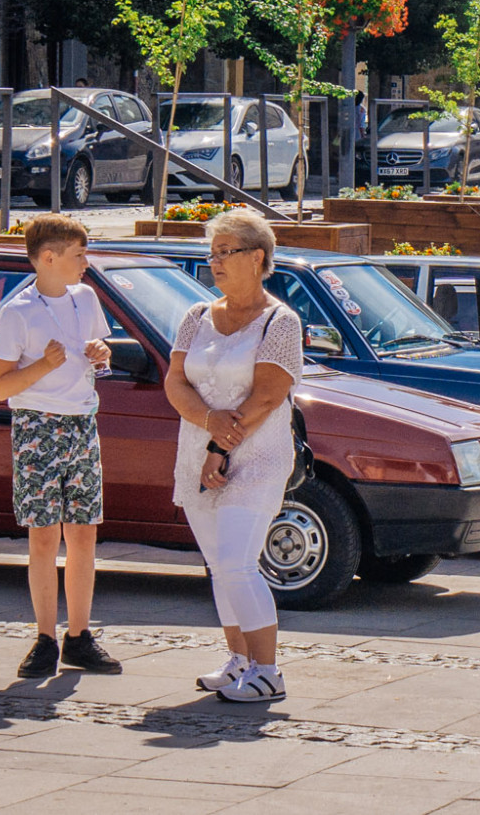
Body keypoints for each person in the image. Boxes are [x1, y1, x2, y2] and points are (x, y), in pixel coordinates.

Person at [165, 209, 305, 700]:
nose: (215, 262)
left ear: (258, 257)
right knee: (218, 566)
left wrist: (219, 446)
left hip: (257, 457)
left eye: (226, 252)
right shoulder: (196, 316)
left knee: (237, 562)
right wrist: (207, 429)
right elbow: (175, 381)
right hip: (198, 455)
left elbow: (267, 396)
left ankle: (268, 673)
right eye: (213, 252)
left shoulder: (280, 322)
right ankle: (240, 660)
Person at [0, 214, 123, 678]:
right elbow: (0, 388)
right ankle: (45, 637)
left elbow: (98, 350)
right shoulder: (18, 311)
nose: (87, 263)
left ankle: (79, 637)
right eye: (79, 255)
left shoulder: (85, 298)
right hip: (38, 426)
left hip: (83, 422)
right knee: (44, 535)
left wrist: (102, 353)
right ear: (48, 258)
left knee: (84, 533)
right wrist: (43, 366)